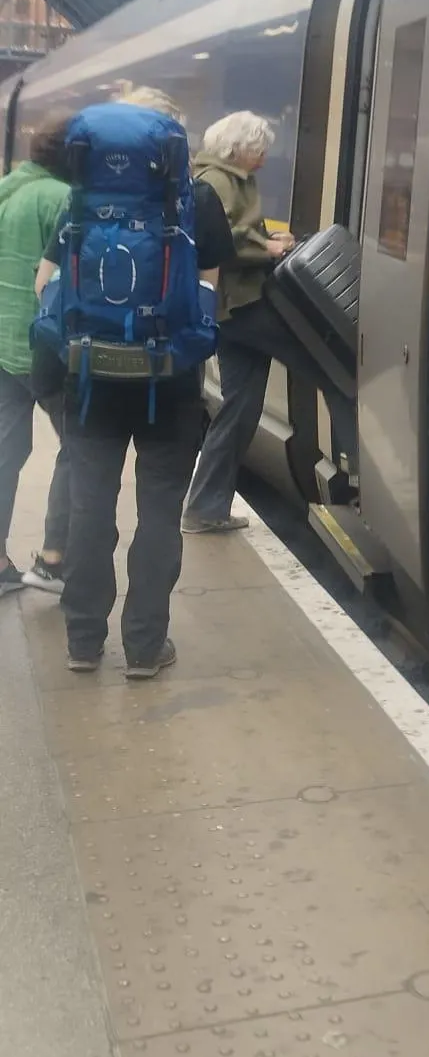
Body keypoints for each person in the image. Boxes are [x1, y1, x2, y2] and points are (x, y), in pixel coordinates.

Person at [35, 92, 235, 677]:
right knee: (157, 516)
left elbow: (45, 283)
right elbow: (208, 295)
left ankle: (82, 643)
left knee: (89, 509)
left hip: (90, 384)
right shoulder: (196, 199)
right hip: (167, 384)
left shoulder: (81, 204)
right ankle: (146, 647)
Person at [182, 111, 352, 533]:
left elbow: (237, 234)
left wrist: (267, 241)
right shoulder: (219, 181)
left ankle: (204, 507)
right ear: (235, 148)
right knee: (335, 370)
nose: (263, 157)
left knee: (239, 409)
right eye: (258, 149)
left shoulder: (224, 176)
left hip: (230, 313)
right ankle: (365, 472)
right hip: (245, 307)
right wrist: (269, 249)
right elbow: (222, 241)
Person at [0, 116, 72, 595]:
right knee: (82, 448)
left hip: (3, 341)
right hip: (43, 346)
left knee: (7, 449)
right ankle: (55, 560)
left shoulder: (8, 188)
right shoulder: (61, 199)